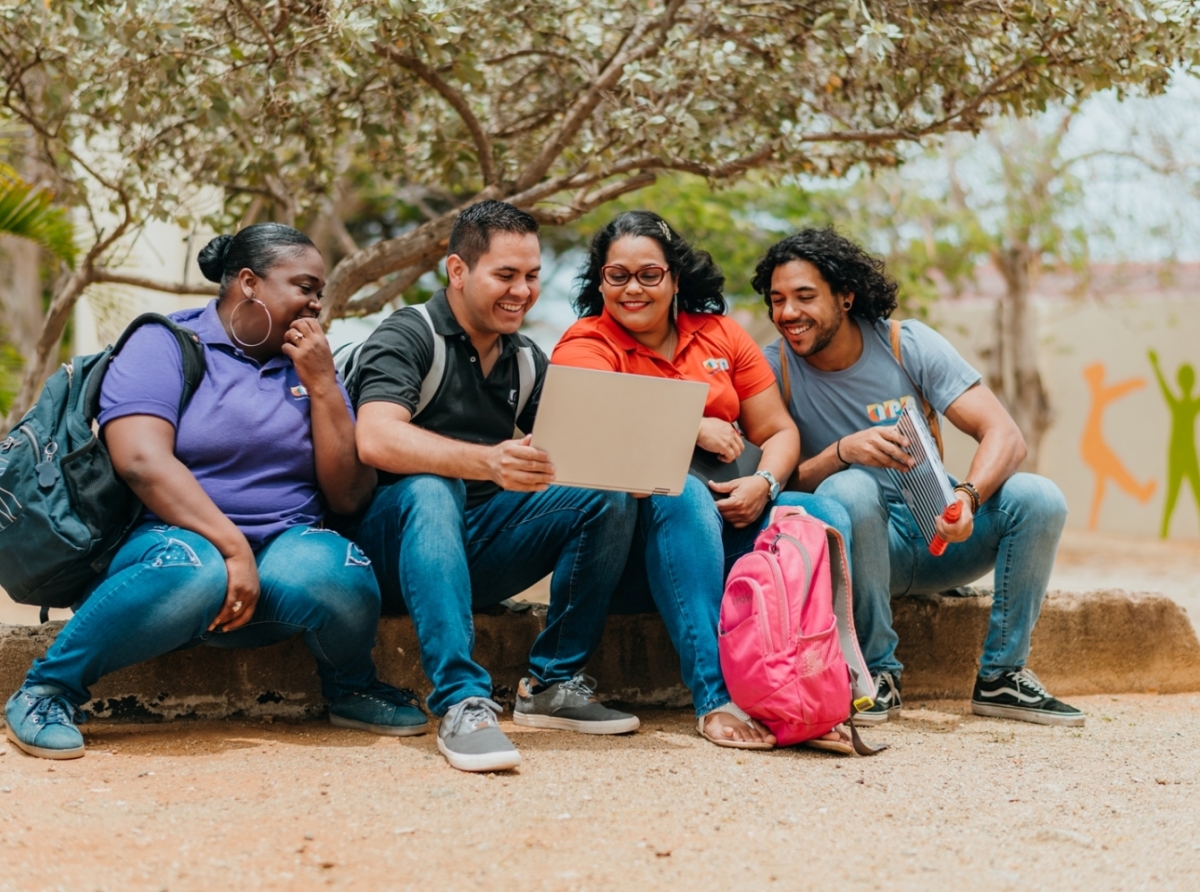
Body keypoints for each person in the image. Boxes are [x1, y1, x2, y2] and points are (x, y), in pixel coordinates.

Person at [5, 224, 427, 761]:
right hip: (166, 549)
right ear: (249, 282)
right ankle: (46, 692)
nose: (316, 303)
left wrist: (323, 385)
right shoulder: (165, 343)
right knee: (193, 568)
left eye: (319, 291)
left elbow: (347, 495)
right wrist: (231, 549)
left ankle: (351, 688)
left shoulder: (310, 364)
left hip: (281, 553)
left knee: (340, 571)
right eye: (304, 287)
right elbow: (140, 460)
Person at [350, 200, 639, 774]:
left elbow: (582, 454)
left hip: (473, 551)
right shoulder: (408, 335)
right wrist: (487, 462)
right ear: (458, 271)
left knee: (606, 491)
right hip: (385, 552)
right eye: (505, 275)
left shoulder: (526, 360)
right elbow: (376, 439)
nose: (523, 291)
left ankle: (553, 684)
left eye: (531, 276)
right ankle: (461, 701)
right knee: (432, 488)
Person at [552, 211, 857, 752]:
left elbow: (780, 431)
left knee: (820, 516)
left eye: (649, 274)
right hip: (636, 553)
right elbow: (589, 425)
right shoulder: (586, 342)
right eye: (616, 275)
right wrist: (695, 424)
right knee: (683, 492)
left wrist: (763, 482)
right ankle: (715, 698)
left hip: (731, 523)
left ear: (674, 277)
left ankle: (815, 688)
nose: (633, 289)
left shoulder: (721, 334)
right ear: (600, 282)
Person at [755, 227, 1084, 727]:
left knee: (1039, 497)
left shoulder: (903, 343)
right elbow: (773, 484)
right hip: (857, 549)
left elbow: (1005, 434)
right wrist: (842, 452)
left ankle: (1002, 676)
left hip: (939, 536)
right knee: (849, 487)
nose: (788, 314)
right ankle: (875, 673)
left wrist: (967, 499)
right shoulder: (772, 368)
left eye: (805, 296)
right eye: (777, 300)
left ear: (846, 296)